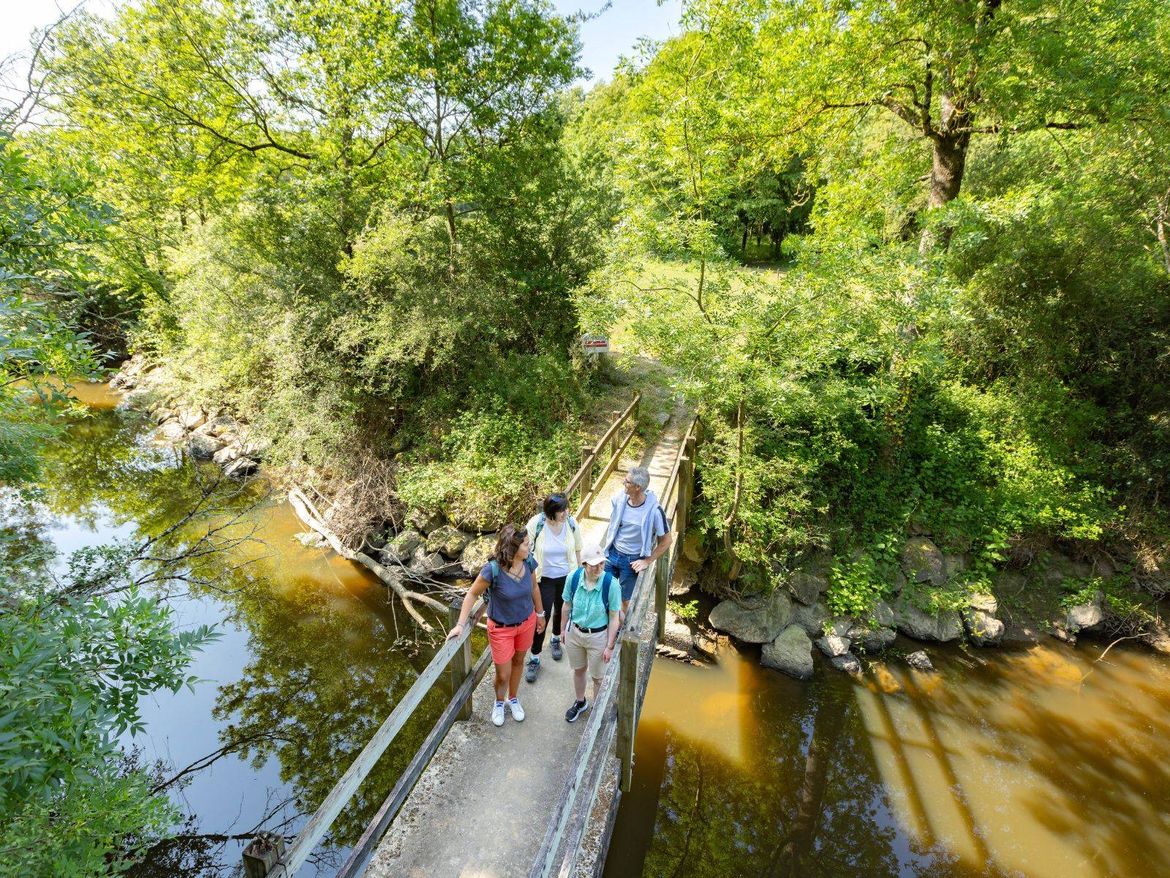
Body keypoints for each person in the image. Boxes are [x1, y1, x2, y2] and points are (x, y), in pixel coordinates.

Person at [447, 525, 545, 727]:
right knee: (503, 674)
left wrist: (540, 613)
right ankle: (499, 702)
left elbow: (534, 587)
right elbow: (472, 594)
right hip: (501, 629)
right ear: (513, 547)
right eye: (526, 544)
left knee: (519, 661)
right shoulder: (492, 570)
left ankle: (513, 698)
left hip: (526, 622)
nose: (530, 547)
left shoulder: (528, 562)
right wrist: (460, 624)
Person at [524, 493, 583, 682]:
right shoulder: (536, 524)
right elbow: (523, 548)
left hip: (567, 576)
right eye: (562, 510)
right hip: (544, 579)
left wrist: (579, 576)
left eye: (567, 509)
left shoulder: (571, 524)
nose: (566, 513)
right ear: (551, 512)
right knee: (542, 615)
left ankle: (556, 639)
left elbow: (578, 549)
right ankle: (534, 657)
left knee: (562, 610)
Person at [601, 464, 672, 618]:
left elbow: (667, 540)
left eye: (627, 481)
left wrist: (647, 561)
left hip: (632, 560)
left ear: (637, 487)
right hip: (612, 554)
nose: (623, 483)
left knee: (625, 600)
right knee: (604, 590)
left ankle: (619, 630)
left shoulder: (655, 511)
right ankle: (605, 624)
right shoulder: (620, 499)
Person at [561, 542, 621, 722]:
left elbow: (614, 617)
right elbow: (566, 605)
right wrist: (562, 630)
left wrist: (610, 646)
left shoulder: (611, 584)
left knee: (598, 678)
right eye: (594, 564)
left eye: (602, 563)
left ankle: (597, 710)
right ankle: (580, 702)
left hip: (598, 636)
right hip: (575, 633)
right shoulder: (573, 578)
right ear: (584, 564)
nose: (599, 567)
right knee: (578, 670)